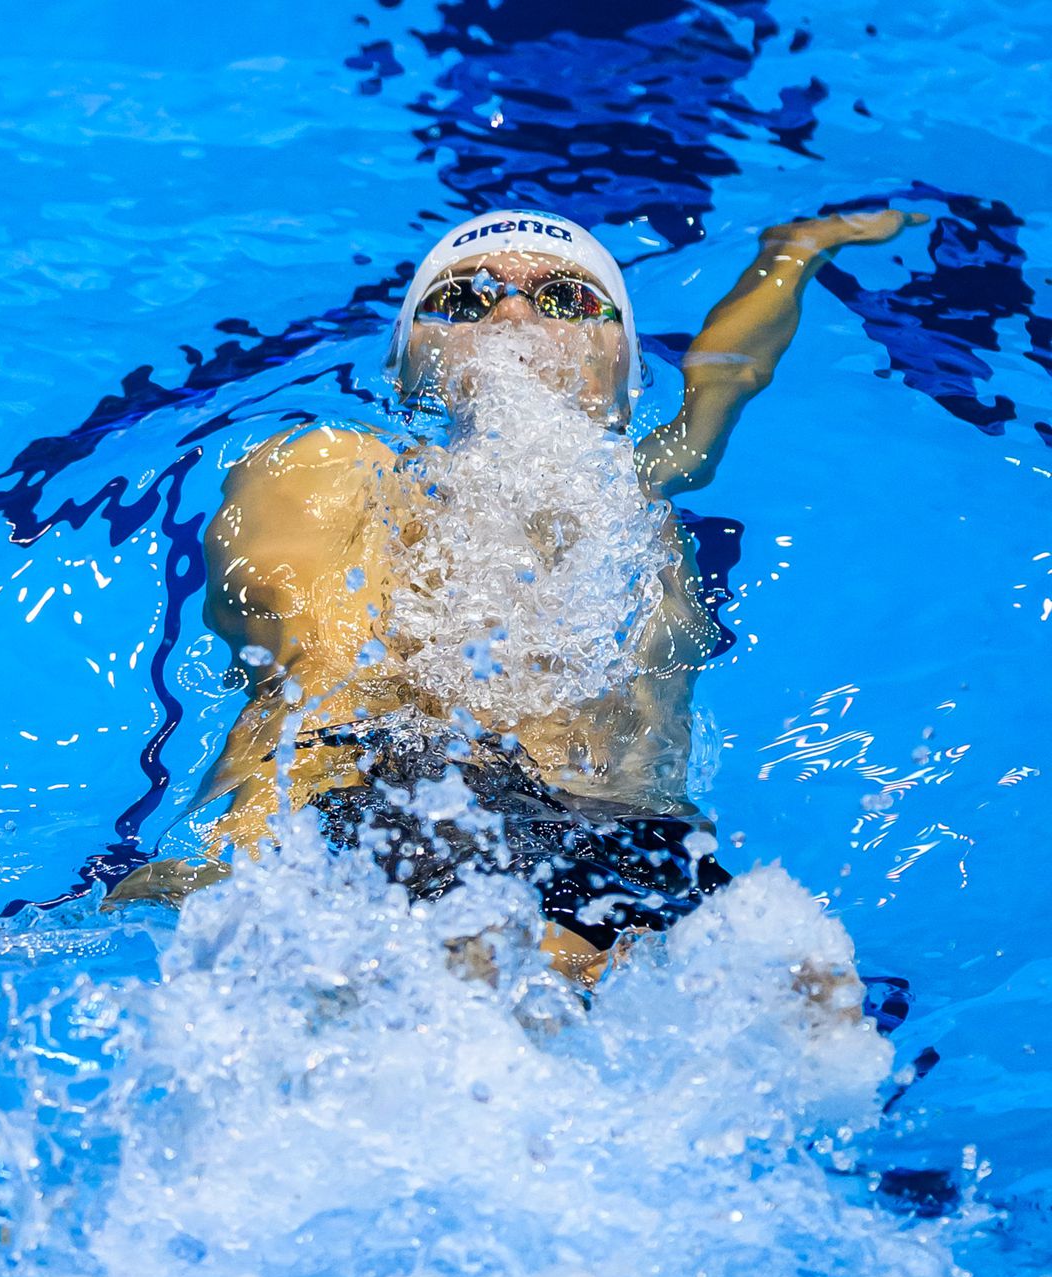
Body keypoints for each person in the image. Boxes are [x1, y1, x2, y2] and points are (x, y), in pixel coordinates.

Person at [107, 205, 927, 982]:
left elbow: (730, 377)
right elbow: (312, 689)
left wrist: (796, 250)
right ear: (406, 369)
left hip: (635, 833)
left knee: (809, 988)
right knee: (515, 973)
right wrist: (243, 866)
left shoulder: (642, 487)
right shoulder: (338, 470)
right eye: (462, 299)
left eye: (566, 298)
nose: (512, 318)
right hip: (404, 787)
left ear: (625, 372)